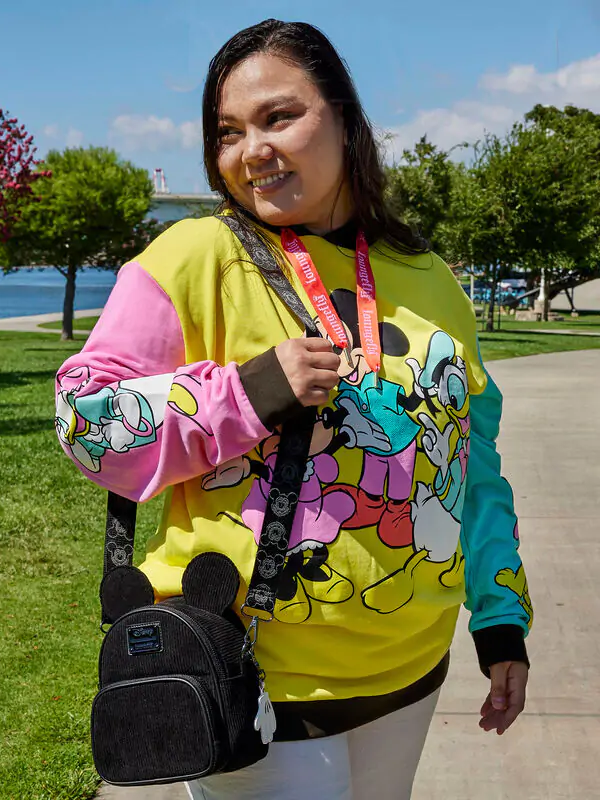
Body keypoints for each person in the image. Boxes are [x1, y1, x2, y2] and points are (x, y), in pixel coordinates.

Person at [54, 19, 532, 800]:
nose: (252, 151)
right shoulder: (196, 257)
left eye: (279, 117)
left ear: (343, 117)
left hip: (411, 672)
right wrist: (245, 393)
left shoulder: (429, 277)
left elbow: (472, 466)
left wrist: (501, 615)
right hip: (256, 686)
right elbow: (84, 422)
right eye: (228, 132)